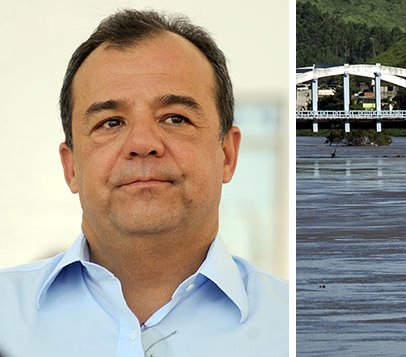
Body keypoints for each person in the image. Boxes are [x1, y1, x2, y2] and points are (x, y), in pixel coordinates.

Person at [0, 9, 288, 356]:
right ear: (71, 166)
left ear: (227, 154)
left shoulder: (289, 325)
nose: (142, 143)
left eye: (175, 118)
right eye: (110, 122)